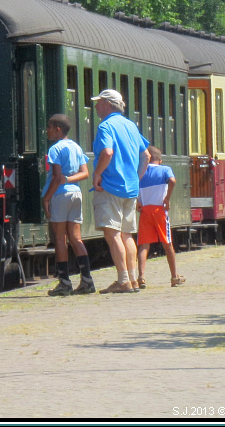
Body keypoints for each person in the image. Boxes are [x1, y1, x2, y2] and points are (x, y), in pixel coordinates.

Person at [91, 88, 150, 294]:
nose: (96, 106)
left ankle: (123, 280)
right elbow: (146, 156)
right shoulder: (130, 125)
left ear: (108, 104)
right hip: (130, 189)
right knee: (127, 235)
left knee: (112, 233)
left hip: (110, 187)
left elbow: (107, 152)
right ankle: (133, 279)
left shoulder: (105, 126)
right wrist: (136, 178)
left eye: (99, 102)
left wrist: (97, 174)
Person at [40, 114, 96, 296]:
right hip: (76, 194)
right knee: (75, 238)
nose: (47, 130)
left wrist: (46, 198)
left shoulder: (55, 149)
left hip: (59, 195)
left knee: (60, 238)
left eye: (49, 127)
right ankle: (87, 280)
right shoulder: (76, 147)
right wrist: (70, 180)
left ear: (58, 129)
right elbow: (85, 173)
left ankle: (64, 282)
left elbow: (56, 177)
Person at [136, 146, 186, 289]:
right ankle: (174, 276)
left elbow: (133, 186)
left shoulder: (140, 172)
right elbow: (172, 181)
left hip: (145, 210)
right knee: (167, 243)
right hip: (159, 210)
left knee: (144, 244)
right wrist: (167, 199)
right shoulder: (165, 169)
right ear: (160, 160)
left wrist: (137, 200)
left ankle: (141, 276)